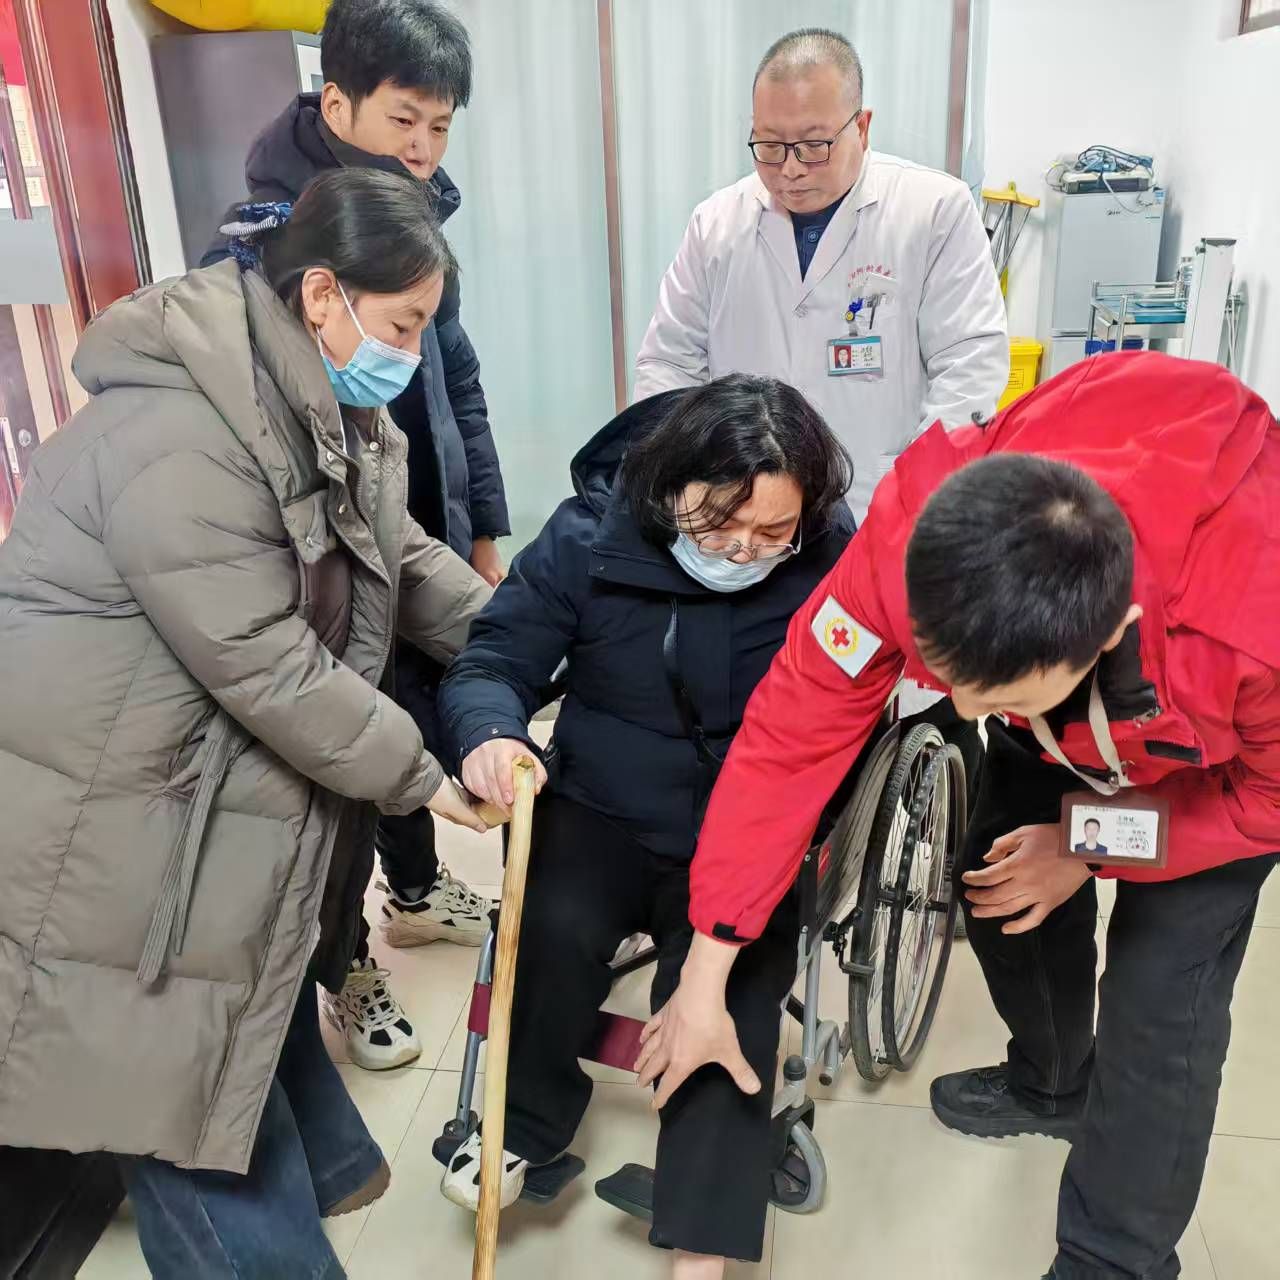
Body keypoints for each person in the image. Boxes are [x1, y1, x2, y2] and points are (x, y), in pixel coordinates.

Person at [639, 352, 1280, 1280]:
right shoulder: (904, 543)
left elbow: (1265, 802)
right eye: (952, 683)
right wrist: (709, 966)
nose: (969, 713)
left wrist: (1086, 844)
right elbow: (788, 742)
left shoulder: (1252, 630)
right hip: (1052, 689)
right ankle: (1052, 1081)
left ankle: (1112, 1261)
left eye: (996, 696)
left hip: (1212, 768)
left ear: (1106, 640)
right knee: (992, 876)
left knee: (1159, 1002)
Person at [0, 167, 493, 1278]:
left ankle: (318, 1176)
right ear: (322, 297)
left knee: (239, 1008)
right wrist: (424, 776)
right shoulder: (181, 430)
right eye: (402, 324)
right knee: (176, 1078)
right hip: (111, 802)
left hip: (189, 772)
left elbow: (398, 555)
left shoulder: (324, 405)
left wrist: (521, 642)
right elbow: (265, 660)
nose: (410, 352)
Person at [435, 376, 856, 1278]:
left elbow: (849, 717)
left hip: (749, 827)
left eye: (772, 533)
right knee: (550, 925)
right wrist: (492, 735)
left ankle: (701, 1237)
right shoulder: (588, 538)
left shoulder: (831, 564)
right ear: (670, 489)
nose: (743, 551)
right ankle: (527, 1127)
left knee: (733, 986)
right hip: (603, 804)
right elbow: (495, 660)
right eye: (718, 525)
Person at [205, 0, 507, 1069]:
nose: (422, 149)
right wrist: (431, 783)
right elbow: (274, 660)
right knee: (336, 762)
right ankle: (346, 961)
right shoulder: (263, 254)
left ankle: (410, 899)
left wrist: (489, 541)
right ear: (336, 103)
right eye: (403, 120)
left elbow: (454, 386)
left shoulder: (407, 230)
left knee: (400, 709)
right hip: (305, 564)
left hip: (397, 528)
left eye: (440, 127)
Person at [634, 27, 1008, 524]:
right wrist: (682, 483)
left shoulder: (934, 210)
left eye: (814, 145)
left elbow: (968, 364)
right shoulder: (716, 224)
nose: (790, 169)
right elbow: (668, 363)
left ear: (862, 127)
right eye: (770, 145)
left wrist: (918, 491)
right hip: (742, 516)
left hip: (880, 503)